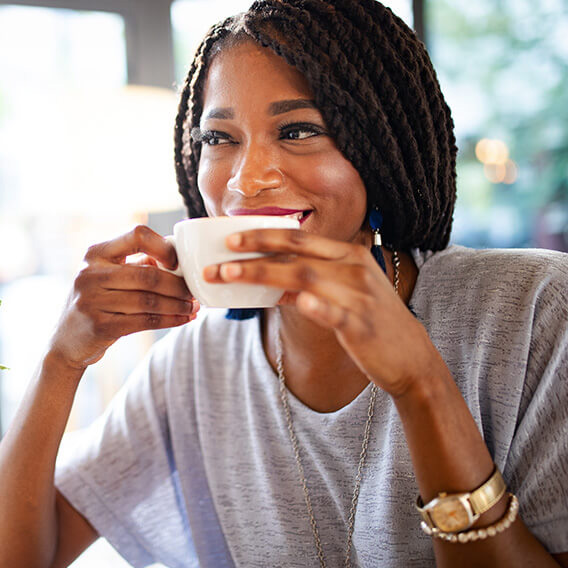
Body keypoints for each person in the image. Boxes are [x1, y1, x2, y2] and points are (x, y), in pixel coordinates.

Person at [1, 1, 567, 567]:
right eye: (219, 138)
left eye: (298, 130)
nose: (246, 180)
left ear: (379, 147)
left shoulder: (535, 311)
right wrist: (61, 361)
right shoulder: (194, 366)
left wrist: (421, 385)